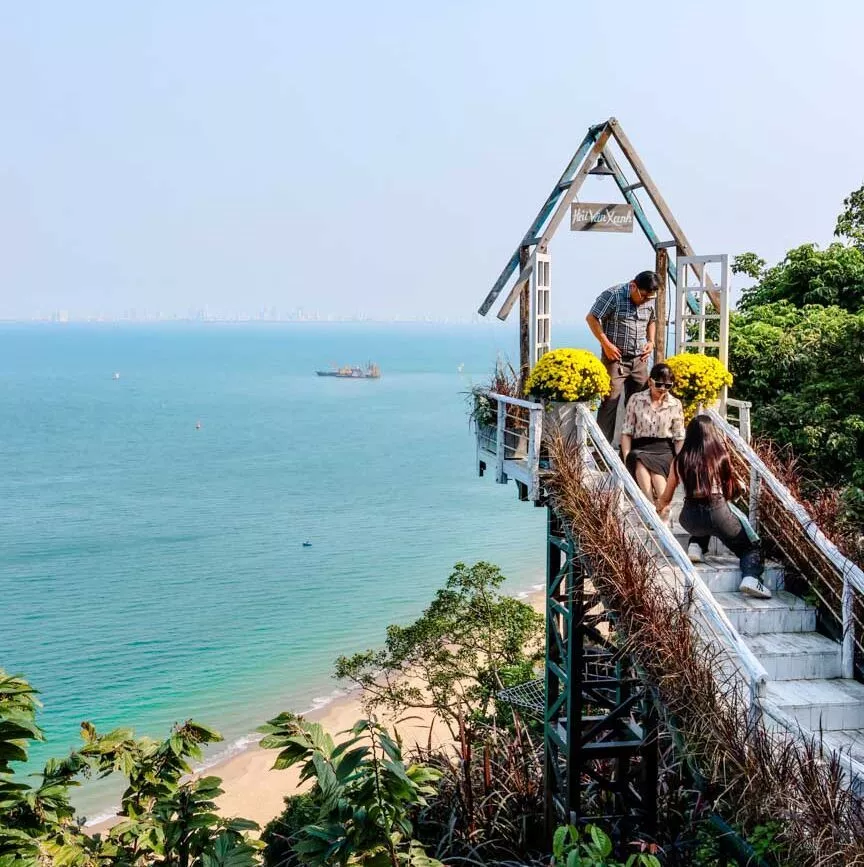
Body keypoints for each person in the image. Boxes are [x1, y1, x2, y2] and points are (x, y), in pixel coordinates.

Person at [656, 415, 771, 599]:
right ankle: (751, 577)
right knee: (751, 547)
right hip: (717, 513)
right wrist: (740, 487)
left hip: (689, 518)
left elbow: (666, 497)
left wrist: (657, 510)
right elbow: (729, 493)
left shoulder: (680, 460)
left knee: (704, 524)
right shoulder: (720, 457)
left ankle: (696, 545)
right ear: (713, 434)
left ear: (689, 435)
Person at [586, 270, 660, 442]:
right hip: (615, 359)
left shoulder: (649, 298)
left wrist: (651, 341)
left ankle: (634, 450)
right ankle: (601, 453)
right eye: (643, 296)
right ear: (633, 285)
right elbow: (592, 318)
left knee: (641, 402)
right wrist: (606, 344)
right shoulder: (613, 295)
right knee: (609, 403)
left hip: (639, 359)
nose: (645, 300)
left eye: (649, 298)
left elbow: (652, 320)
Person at [620, 363, 685, 504]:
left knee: (657, 476)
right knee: (638, 460)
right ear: (650, 381)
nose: (663, 389)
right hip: (640, 447)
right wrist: (626, 459)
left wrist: (679, 461)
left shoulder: (675, 404)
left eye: (668, 386)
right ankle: (651, 505)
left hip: (664, 449)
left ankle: (660, 507)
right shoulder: (636, 399)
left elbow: (679, 437)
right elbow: (627, 432)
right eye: (659, 384)